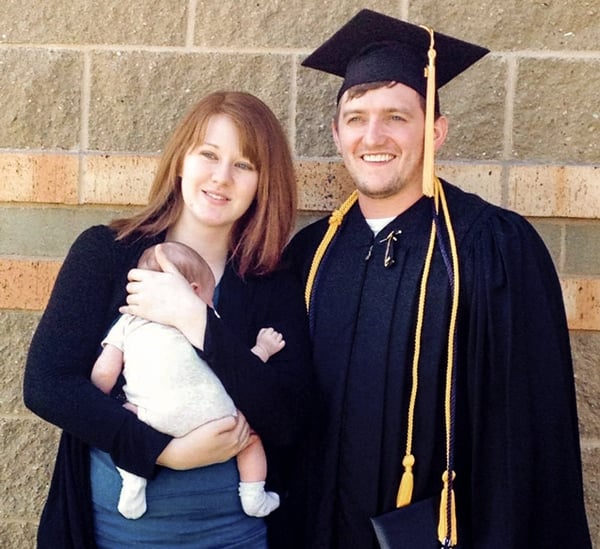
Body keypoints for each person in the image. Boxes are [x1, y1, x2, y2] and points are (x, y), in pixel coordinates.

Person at [286, 9, 592, 549]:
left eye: (396, 117)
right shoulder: (311, 256)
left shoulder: (492, 247)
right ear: (337, 134)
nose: (372, 135)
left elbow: (528, 437)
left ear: (436, 131)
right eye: (356, 117)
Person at [24, 90, 311, 549]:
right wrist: (163, 452)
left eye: (244, 165)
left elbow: (287, 419)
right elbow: (48, 385)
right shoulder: (106, 253)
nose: (221, 177)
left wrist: (196, 319)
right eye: (209, 155)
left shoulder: (272, 283)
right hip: (115, 535)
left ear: (263, 182)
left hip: (235, 537)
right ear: (181, 160)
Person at [91, 241, 284, 521]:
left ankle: (134, 480)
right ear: (194, 291)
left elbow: (104, 375)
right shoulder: (207, 319)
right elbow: (241, 365)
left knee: (126, 426)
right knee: (251, 441)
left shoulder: (128, 321)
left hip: (153, 417)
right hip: (218, 417)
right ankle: (254, 497)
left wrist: (104, 400)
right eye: (210, 294)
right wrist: (263, 349)